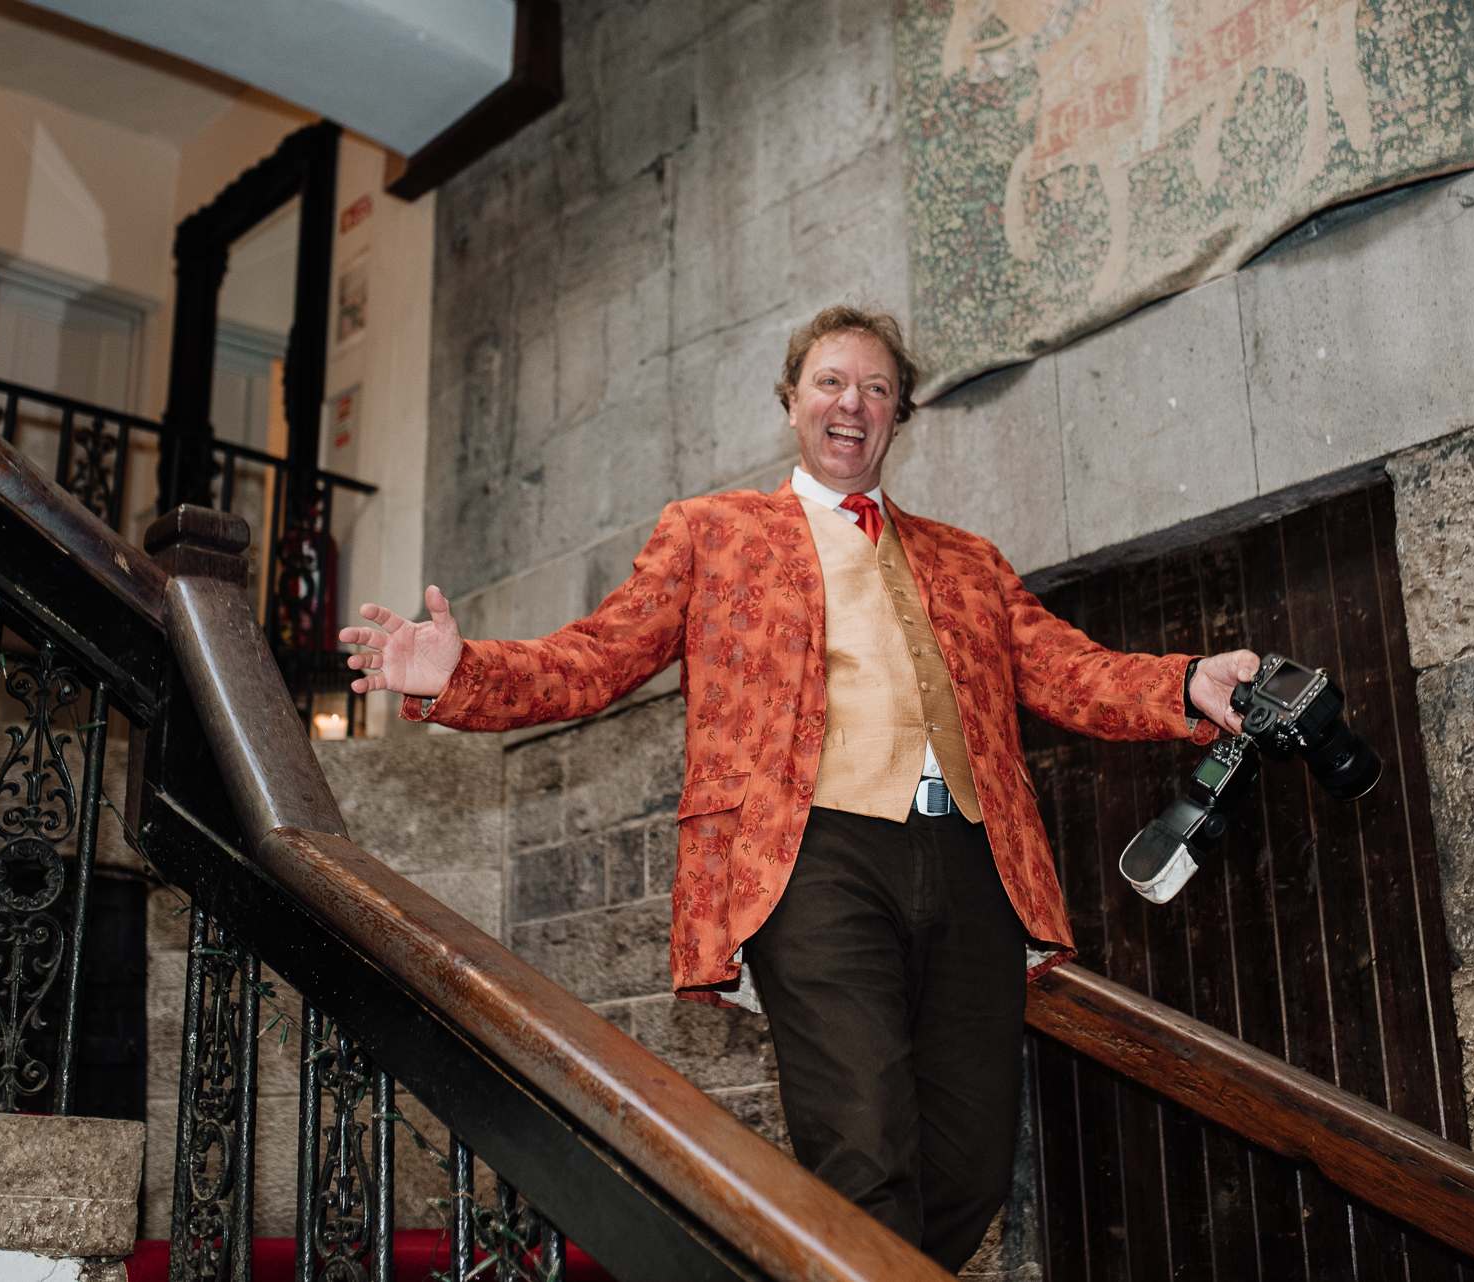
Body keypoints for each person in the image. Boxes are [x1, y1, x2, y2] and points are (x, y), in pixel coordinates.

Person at [340, 305, 1256, 1269]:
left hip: (974, 862)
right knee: (863, 1149)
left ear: (898, 417)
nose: (851, 403)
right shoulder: (712, 532)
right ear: (790, 403)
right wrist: (459, 673)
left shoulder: (971, 561)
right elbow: (599, 656)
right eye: (830, 382)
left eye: (876, 389)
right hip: (812, 855)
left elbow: (1072, 671)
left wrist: (1187, 681)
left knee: (971, 1169)